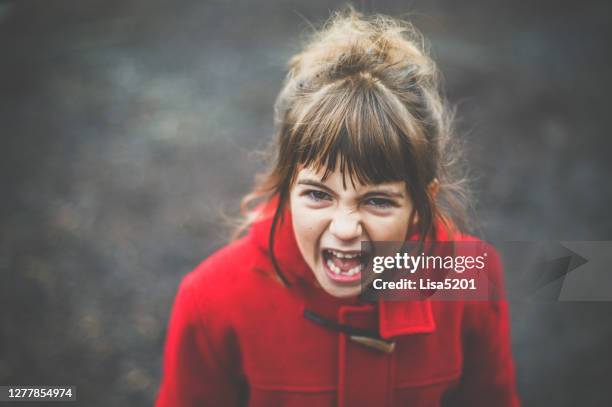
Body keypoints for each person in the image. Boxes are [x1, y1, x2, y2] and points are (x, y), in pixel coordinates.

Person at [155, 7, 520, 407]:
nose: (345, 228)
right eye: (318, 194)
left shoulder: (469, 278)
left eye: (377, 201)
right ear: (286, 188)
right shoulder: (211, 302)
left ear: (420, 203)